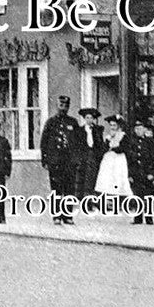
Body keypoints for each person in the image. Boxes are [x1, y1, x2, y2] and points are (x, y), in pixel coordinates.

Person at [40, 95, 81, 224]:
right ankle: (56, 216)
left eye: (65, 106)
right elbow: (44, 142)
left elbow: (78, 143)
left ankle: (67, 215)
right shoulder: (51, 122)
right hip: (55, 162)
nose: (63, 108)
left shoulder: (73, 123)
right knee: (56, 190)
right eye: (61, 105)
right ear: (57, 106)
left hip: (69, 162)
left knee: (69, 190)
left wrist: (77, 160)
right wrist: (45, 160)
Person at [124, 116, 154, 225]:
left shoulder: (150, 142)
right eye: (136, 129)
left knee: (148, 195)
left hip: (147, 173)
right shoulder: (131, 143)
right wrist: (129, 174)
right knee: (137, 195)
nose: (138, 131)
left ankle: (149, 218)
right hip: (136, 172)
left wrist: (152, 173)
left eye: (141, 129)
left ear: (145, 130)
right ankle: (137, 218)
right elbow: (129, 160)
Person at [94, 114, 133, 200]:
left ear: (118, 125)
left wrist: (112, 148)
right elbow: (104, 148)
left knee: (118, 176)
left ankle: (119, 198)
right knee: (107, 177)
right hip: (109, 159)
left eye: (114, 125)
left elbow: (123, 148)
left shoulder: (123, 135)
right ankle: (107, 198)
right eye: (111, 125)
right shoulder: (108, 137)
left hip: (118, 159)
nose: (112, 127)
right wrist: (109, 144)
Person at [76, 107, 107, 200]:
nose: (89, 120)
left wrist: (99, 154)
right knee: (84, 177)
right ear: (84, 119)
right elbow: (78, 144)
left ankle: (92, 199)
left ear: (94, 119)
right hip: (84, 155)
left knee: (93, 177)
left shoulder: (98, 130)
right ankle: (85, 198)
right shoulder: (80, 130)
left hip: (94, 155)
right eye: (87, 118)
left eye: (91, 118)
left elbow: (100, 143)